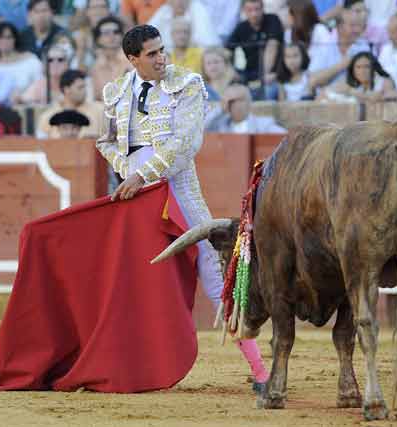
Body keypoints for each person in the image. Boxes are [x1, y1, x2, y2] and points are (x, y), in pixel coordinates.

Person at [96, 25, 270, 392]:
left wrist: (141, 173)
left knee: (213, 266)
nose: (162, 58)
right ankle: (128, 368)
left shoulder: (187, 84)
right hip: (137, 197)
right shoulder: (115, 93)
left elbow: (186, 144)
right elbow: (105, 141)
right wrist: (127, 169)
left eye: (162, 50)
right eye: (152, 54)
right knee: (129, 276)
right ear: (133, 60)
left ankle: (259, 370)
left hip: (180, 191)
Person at [37, 69, 102, 138]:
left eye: (84, 87)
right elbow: (41, 144)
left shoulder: (99, 110)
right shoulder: (47, 116)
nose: (84, 91)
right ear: (66, 89)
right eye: (80, 88)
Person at [206, 83, 287, 132]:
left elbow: (284, 138)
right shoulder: (220, 125)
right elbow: (199, 132)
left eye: (239, 100)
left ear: (248, 103)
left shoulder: (263, 125)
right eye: (230, 102)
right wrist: (220, 109)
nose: (234, 105)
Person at [0, 22, 43, 92]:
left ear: (15, 39)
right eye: (0, 37)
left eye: (8, 37)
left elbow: (40, 84)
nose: (4, 41)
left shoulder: (30, 60)